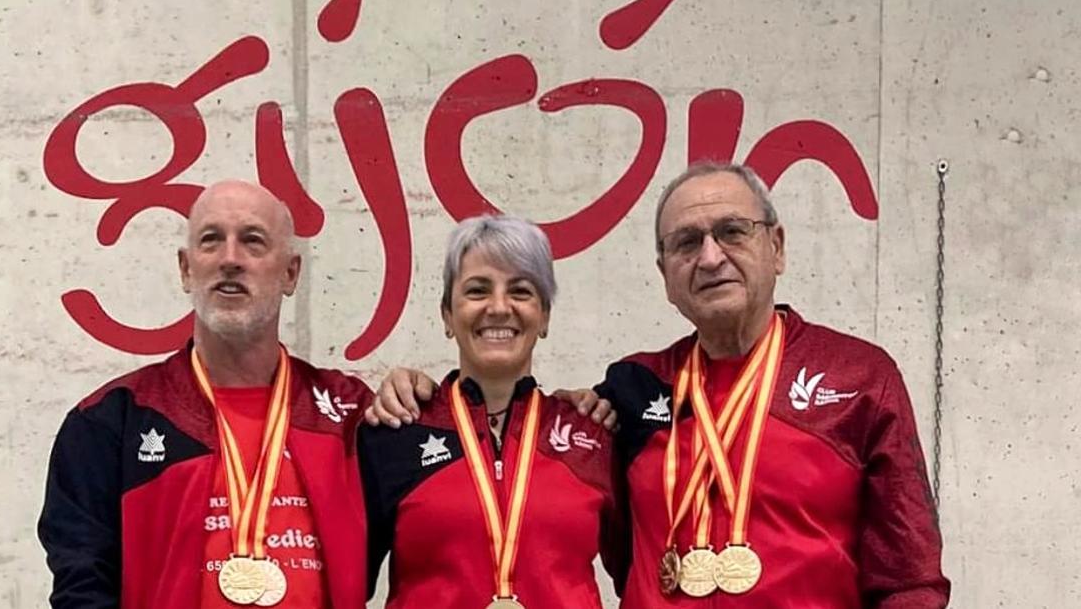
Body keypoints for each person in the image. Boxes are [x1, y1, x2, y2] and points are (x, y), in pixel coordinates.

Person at [367, 164, 951, 607]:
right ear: (666, 274)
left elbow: (910, 577)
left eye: (732, 232)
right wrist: (408, 386)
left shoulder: (858, 376)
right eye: (687, 243)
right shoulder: (631, 390)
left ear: (776, 248)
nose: (711, 256)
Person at [38, 180, 372, 609]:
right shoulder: (109, 422)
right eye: (211, 241)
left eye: (252, 241)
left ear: (290, 273)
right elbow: (82, 589)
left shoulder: (349, 414)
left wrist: (417, 392)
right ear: (186, 268)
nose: (230, 259)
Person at [357, 214, 624, 608]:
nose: (499, 308)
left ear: (544, 316)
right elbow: (346, 582)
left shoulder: (595, 435)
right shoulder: (396, 432)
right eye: (478, 291)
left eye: (520, 292)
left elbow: (643, 574)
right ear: (447, 315)